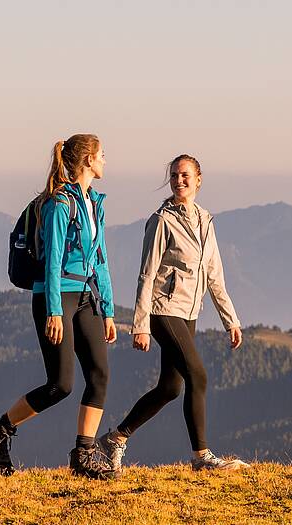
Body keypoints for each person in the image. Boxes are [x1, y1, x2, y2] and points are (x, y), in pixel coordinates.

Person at [0, 133, 120, 479]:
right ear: (86, 160)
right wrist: (54, 310)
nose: (105, 160)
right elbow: (53, 260)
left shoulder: (92, 201)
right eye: (101, 154)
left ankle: (83, 455)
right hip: (56, 297)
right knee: (61, 385)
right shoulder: (59, 204)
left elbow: (100, 259)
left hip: (86, 298)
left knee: (100, 375)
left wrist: (109, 310)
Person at [97, 154, 251, 472]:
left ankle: (115, 439)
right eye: (174, 176)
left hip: (189, 313)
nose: (179, 181)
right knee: (199, 376)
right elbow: (147, 274)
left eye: (185, 176)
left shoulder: (206, 221)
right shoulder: (162, 221)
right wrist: (140, 325)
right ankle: (201, 458)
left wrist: (230, 320)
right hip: (162, 310)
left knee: (170, 388)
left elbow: (215, 276)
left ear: (198, 180)